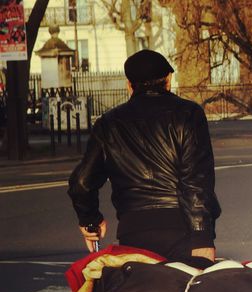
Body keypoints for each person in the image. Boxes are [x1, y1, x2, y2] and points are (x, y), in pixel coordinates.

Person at [68, 50, 221, 264]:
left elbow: (82, 183)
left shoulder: (108, 124)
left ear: (129, 85)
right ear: (168, 81)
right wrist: (202, 237)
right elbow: (197, 181)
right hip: (182, 230)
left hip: (133, 234)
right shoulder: (189, 114)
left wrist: (90, 221)